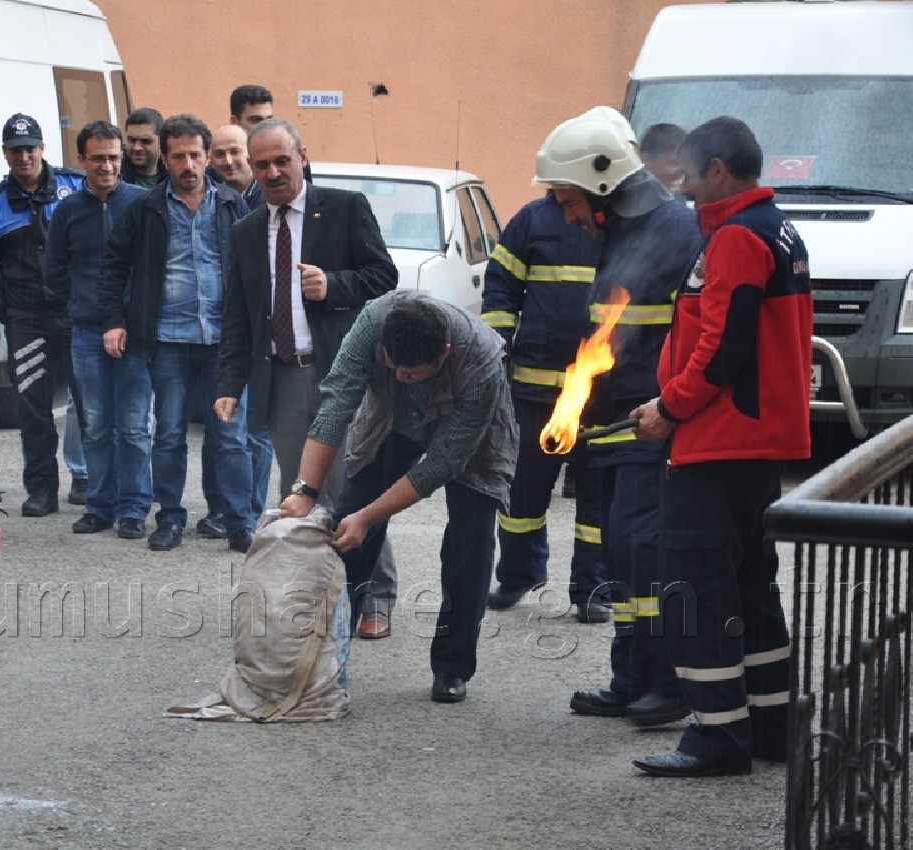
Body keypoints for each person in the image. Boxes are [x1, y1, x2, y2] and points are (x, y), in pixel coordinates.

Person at [630, 117, 809, 777]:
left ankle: (717, 739)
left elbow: (722, 347)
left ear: (719, 171)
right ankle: (768, 729)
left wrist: (669, 408)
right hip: (756, 442)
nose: (682, 186)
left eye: (689, 173)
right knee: (751, 588)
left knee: (698, 591)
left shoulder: (735, 236)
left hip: (719, 440)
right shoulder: (779, 228)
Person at [533, 106, 701, 727]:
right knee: (622, 551)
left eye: (571, 201)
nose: (569, 216)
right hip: (618, 418)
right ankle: (632, 678)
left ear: (604, 188)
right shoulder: (630, 231)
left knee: (642, 547)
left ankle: (668, 681)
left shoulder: (672, 232)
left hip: (653, 419)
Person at [279, 291, 517, 702]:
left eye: (413, 374)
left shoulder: (483, 366)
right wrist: (305, 490)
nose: (402, 377)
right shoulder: (372, 324)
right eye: (394, 368)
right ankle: (328, 654)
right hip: (391, 420)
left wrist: (369, 518)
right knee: (347, 525)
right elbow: (336, 405)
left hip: (471, 435)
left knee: (471, 542)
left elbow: (441, 462)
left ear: (442, 355)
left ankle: (452, 665)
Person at [215, 117, 402, 640]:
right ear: (251, 170)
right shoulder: (247, 230)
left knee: (346, 487)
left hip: (339, 373)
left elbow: (384, 276)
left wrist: (334, 284)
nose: (274, 172)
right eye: (262, 165)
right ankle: (311, 597)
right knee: (299, 493)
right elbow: (238, 314)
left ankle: (373, 598)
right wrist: (229, 384)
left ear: (302, 156)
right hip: (281, 377)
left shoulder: (342, 208)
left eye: (282, 160)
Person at [99, 114, 254, 553]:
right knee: (168, 435)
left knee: (231, 438)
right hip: (167, 340)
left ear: (208, 157)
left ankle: (238, 521)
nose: (189, 164)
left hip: (224, 342)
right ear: (164, 160)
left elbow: (253, 268)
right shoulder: (143, 209)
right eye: (179, 156)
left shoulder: (231, 205)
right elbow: (113, 267)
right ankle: (168, 518)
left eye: (195, 155)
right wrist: (114, 319)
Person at [480, 190, 607, 622]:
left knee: (599, 495)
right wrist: (501, 351)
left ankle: (594, 589)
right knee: (522, 488)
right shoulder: (531, 220)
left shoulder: (620, 219)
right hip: (535, 387)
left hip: (603, 390)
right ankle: (517, 574)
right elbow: (500, 287)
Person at [0, 113, 84, 517]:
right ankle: (41, 489)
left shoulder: (75, 187)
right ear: (5, 153)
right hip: (26, 319)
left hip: (75, 316)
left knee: (88, 403)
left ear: (43, 148)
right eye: (16, 150)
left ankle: (90, 483)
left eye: (31, 148)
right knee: (33, 409)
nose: (24, 156)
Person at [45, 120, 151, 539]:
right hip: (87, 332)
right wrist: (80, 304)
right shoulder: (68, 210)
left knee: (135, 425)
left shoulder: (143, 204)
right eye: (98, 158)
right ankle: (99, 506)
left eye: (113, 157)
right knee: (95, 423)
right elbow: (54, 271)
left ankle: (133, 508)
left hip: (137, 334)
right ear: (81, 160)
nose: (107, 166)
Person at [200, 122, 273, 544]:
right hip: (225, 326)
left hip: (261, 326)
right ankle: (229, 511)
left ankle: (250, 511)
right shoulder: (213, 197)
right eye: (220, 153)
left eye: (236, 153)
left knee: (255, 429)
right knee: (226, 426)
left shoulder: (270, 195)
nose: (229, 161)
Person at [120, 107, 164, 189]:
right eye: (132, 140)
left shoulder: (174, 177)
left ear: (160, 142)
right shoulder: (114, 176)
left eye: (145, 141)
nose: (137, 148)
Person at [640, 123, 686, 196]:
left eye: (686, 165)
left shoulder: (683, 201)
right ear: (646, 160)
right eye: (674, 163)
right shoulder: (623, 199)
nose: (681, 173)